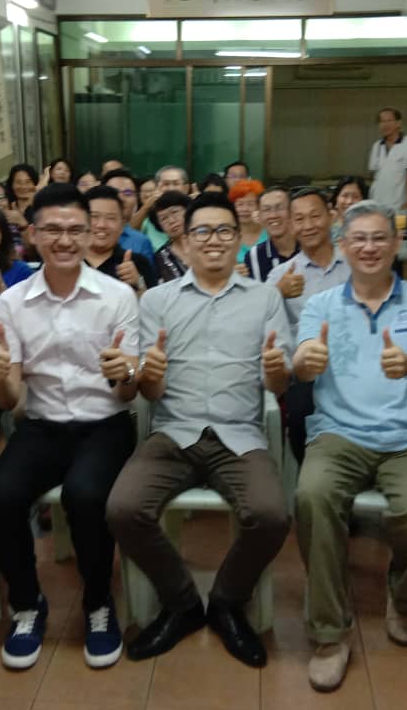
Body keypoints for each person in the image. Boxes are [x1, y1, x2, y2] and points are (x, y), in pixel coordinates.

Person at [107, 192, 292, 668]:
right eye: (202, 231)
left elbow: (278, 382)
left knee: (272, 514)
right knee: (123, 508)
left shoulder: (265, 298)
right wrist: (149, 375)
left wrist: (276, 371)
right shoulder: (158, 300)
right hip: (174, 432)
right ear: (185, 242)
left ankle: (227, 601)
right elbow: (150, 390)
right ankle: (183, 603)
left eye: (224, 230)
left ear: (238, 238)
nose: (214, 240)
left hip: (239, 435)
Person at [293, 200, 407, 691]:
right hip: (338, 434)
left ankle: (403, 596)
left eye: (379, 237)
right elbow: (301, 359)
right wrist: (306, 362)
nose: (369, 247)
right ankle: (329, 632)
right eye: (358, 238)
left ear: (396, 244)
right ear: (343, 245)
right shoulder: (320, 305)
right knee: (312, 497)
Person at [0, 185, 139, 671]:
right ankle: (27, 603)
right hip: (42, 425)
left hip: (105, 424)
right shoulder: (13, 303)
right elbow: (9, 399)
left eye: (75, 229)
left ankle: (98, 601)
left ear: (91, 233)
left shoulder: (117, 296)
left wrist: (126, 373)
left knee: (85, 496)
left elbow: (128, 392)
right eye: (52, 229)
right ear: (32, 234)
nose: (64, 240)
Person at [266, 187, 351, 463]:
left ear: (331, 216)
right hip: (307, 374)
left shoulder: (355, 265)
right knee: (301, 414)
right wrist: (277, 293)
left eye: (315, 216)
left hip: (354, 366)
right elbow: (258, 321)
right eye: (299, 219)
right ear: (291, 225)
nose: (308, 225)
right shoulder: (281, 275)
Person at [84, 186, 157, 294]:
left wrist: (139, 286)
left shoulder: (138, 263)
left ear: (123, 225)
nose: (101, 225)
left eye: (111, 218)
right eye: (94, 216)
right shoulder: (68, 261)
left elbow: (153, 304)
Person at [101, 168, 157, 271]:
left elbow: (150, 280)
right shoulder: (86, 235)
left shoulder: (141, 242)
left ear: (136, 199)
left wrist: (137, 279)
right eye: (114, 192)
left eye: (127, 193)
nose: (121, 198)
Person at [368, 108, 407, 210]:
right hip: (376, 200)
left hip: (398, 202)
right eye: (382, 121)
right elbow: (373, 175)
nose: (385, 125)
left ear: (398, 123)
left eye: (389, 121)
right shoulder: (377, 145)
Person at [244, 185, 298, 282]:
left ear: (292, 211)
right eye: (266, 209)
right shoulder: (254, 256)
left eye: (279, 208)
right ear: (259, 216)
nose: (273, 215)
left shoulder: (309, 248)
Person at [151, 191, 193, 282]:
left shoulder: (205, 241)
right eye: (164, 218)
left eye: (175, 212)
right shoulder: (161, 257)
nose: (171, 221)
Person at [3, 164, 39, 260]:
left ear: (35, 184)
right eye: (18, 182)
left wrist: (22, 223)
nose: (23, 186)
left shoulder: (41, 209)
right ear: (11, 185)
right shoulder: (6, 208)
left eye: (28, 182)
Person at [229, 179, 268, 267]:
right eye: (240, 204)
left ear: (259, 206)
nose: (245, 209)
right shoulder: (227, 235)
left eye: (250, 204)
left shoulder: (270, 232)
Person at [330, 176, 368, 242]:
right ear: (336, 199)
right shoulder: (326, 229)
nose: (349, 201)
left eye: (356, 197)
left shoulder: (370, 228)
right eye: (345, 195)